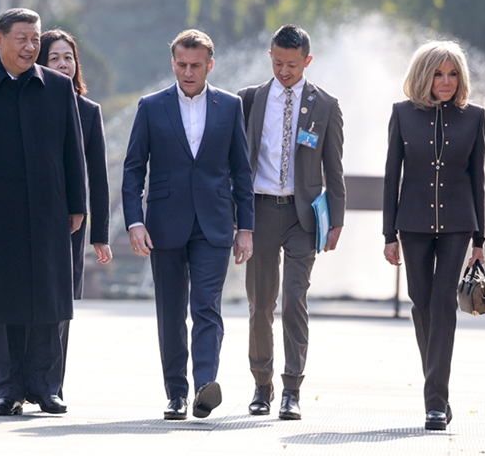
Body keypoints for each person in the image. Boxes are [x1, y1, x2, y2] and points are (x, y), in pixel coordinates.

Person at [0, 8, 88, 417]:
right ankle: (7, 389)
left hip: (50, 210)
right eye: (22, 38)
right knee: (2, 300)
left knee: (48, 299)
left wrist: (77, 205)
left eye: (35, 39)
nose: (30, 47)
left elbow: (72, 151)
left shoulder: (57, 87)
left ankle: (46, 386)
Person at [122, 29, 255, 420]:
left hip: (214, 223)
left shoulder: (229, 106)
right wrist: (134, 221)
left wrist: (245, 228)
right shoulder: (151, 106)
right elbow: (133, 169)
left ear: (210, 65)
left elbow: (241, 171)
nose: (187, 72)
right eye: (181, 64)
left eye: (196, 65)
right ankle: (176, 394)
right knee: (170, 312)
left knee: (207, 307)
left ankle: (204, 387)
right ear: (173, 63)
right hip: (163, 224)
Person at [236, 24, 345, 421]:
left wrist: (336, 220)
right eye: (278, 63)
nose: (284, 71)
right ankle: (261, 385)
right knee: (260, 303)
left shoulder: (325, 105)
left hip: (303, 218)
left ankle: (292, 389)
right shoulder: (249, 100)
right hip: (261, 211)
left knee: (295, 300)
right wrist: (237, 218)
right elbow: (236, 161)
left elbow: (334, 168)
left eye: (293, 65)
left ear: (307, 61)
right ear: (270, 56)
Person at [381, 40, 485, 431]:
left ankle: (435, 403)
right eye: (439, 73)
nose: (446, 81)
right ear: (424, 75)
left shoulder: (474, 117)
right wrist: (389, 234)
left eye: (453, 74)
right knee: (421, 302)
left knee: (443, 302)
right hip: (412, 225)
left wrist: (480, 241)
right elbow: (392, 176)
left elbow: (477, 179)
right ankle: (438, 389)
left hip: (458, 224)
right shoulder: (402, 114)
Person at [35, 29, 114, 399]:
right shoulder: (28, 104)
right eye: (54, 58)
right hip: (30, 216)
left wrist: (100, 236)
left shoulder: (88, 111)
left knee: (60, 304)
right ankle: (24, 381)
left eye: (68, 57)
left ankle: (52, 385)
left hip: (70, 222)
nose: (63, 64)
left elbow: (98, 177)